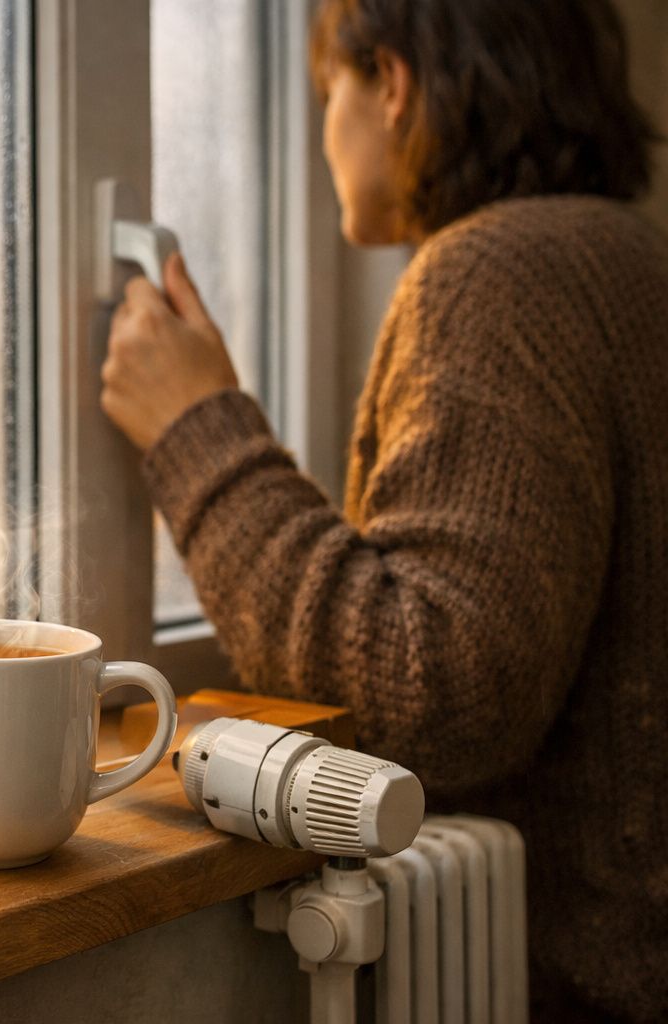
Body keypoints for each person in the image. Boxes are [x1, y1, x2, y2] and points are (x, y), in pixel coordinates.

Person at [98, 0, 666, 1019]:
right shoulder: (628, 257)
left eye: (329, 94)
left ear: (391, 84)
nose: (324, 130)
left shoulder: (498, 272)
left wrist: (200, 433)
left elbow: (438, 688)